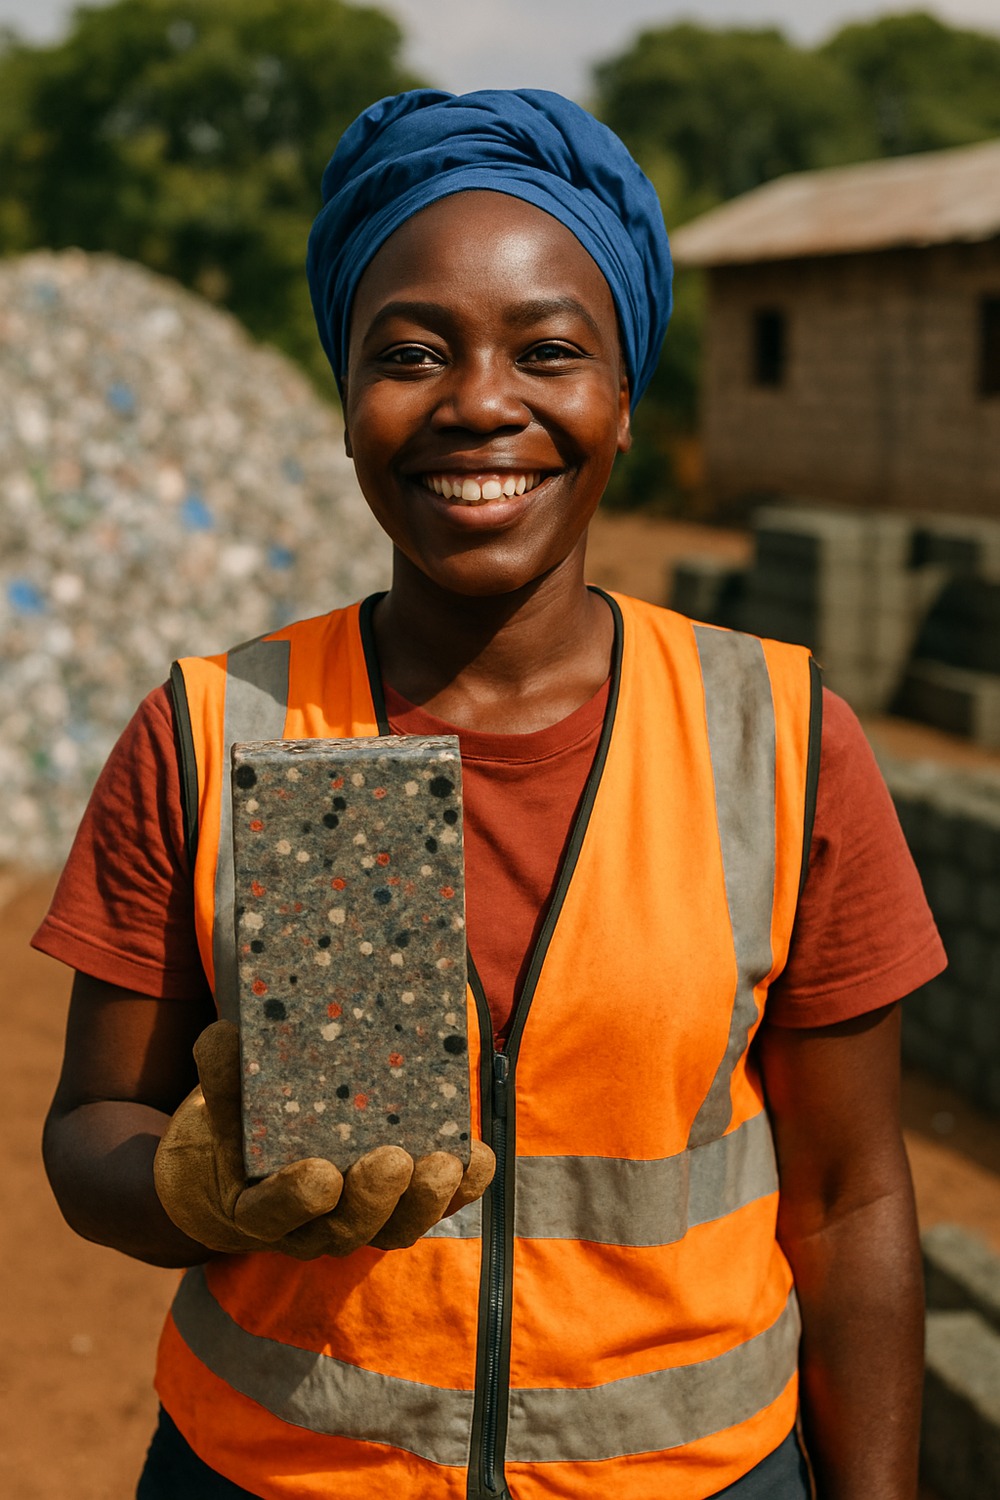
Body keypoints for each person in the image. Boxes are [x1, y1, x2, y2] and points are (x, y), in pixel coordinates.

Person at [36, 89, 945, 1500]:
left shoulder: (781, 738)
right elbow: (89, 1128)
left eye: (549, 351)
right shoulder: (212, 730)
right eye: (408, 352)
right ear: (343, 398)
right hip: (281, 1473)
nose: (477, 401)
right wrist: (185, 1187)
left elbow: (851, 1198)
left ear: (625, 401)